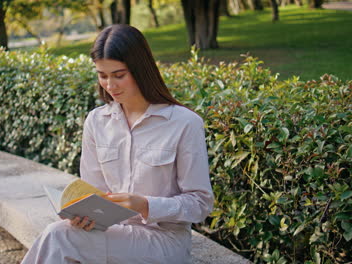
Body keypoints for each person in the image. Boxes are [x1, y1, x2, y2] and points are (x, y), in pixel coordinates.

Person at [21, 24, 214, 264]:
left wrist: (146, 205)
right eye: (102, 75)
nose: (110, 86)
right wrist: (83, 216)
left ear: (140, 70)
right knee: (61, 234)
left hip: (164, 240)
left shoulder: (184, 123)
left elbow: (201, 203)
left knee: (58, 238)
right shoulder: (97, 121)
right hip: (112, 233)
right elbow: (93, 194)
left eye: (118, 75)